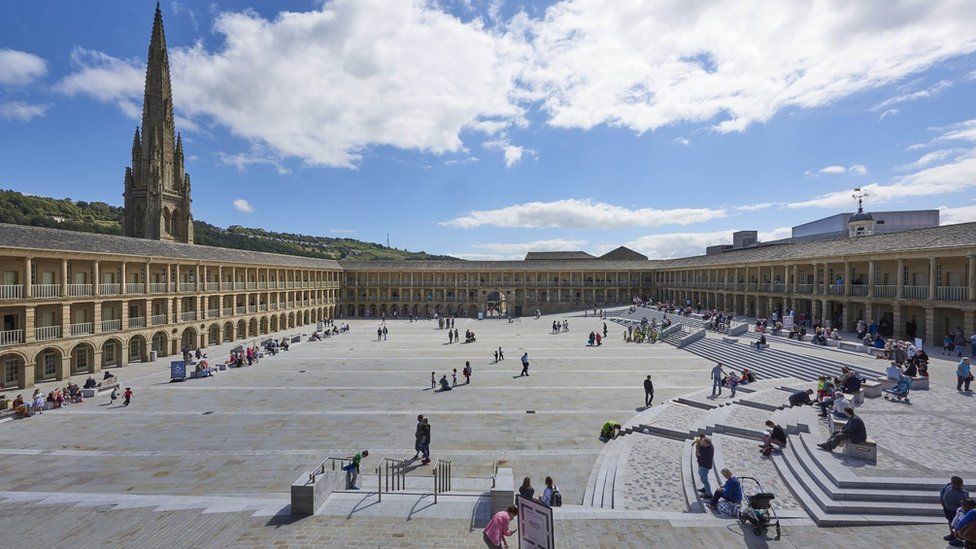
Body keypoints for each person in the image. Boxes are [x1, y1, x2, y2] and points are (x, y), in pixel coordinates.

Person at [942, 476, 970, 545]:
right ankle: (952, 534)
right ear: (953, 484)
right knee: (950, 521)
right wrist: (942, 500)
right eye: (958, 484)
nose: (961, 485)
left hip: (956, 511)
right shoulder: (948, 486)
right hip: (947, 508)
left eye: (960, 484)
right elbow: (942, 491)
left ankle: (959, 539)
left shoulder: (963, 494)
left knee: (957, 524)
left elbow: (965, 504)